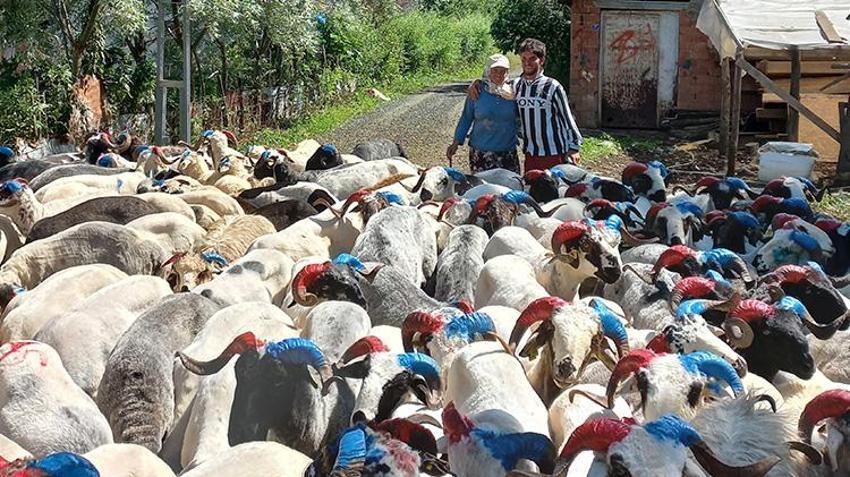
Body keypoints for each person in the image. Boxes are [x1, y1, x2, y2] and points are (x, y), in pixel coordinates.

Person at [469, 38, 582, 172]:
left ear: (542, 60)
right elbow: (494, 84)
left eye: (532, 58)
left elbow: (567, 117)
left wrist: (574, 147)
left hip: (554, 152)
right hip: (530, 153)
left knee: (554, 185)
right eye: (524, 59)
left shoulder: (552, 86)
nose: (527, 63)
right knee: (531, 185)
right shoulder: (517, 85)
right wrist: (476, 83)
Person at [447, 54, 520, 174]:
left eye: (503, 71)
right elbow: (466, 117)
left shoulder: (515, 92)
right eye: (495, 70)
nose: (499, 74)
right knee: (482, 185)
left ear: (507, 73)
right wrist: (456, 142)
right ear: (488, 71)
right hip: (481, 153)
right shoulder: (477, 91)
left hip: (507, 153)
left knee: (510, 185)